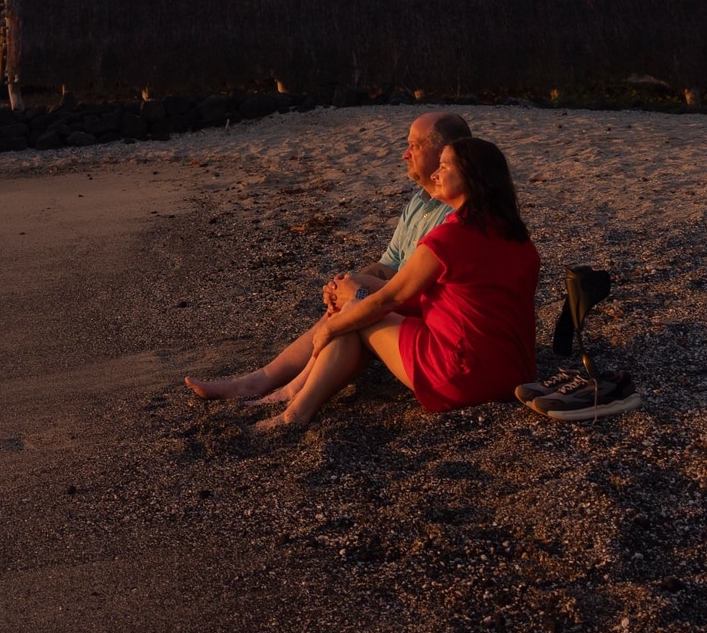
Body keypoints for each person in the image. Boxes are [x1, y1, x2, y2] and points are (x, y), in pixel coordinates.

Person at [185, 136, 539, 427]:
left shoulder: (449, 239)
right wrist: (358, 293)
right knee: (358, 306)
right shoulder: (517, 238)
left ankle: (296, 408)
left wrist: (333, 325)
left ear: (473, 178)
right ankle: (280, 388)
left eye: (445, 167)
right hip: (514, 375)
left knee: (357, 316)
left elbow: (388, 300)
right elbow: (462, 303)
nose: (435, 174)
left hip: (461, 376)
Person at [321, 111, 472, 319]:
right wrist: (344, 285)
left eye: (415, 146)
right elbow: (389, 264)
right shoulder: (418, 203)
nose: (405, 154)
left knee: (348, 316)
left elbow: (421, 296)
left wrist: (360, 292)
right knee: (341, 310)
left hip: (421, 314)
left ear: (444, 153)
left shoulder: (457, 218)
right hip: (398, 302)